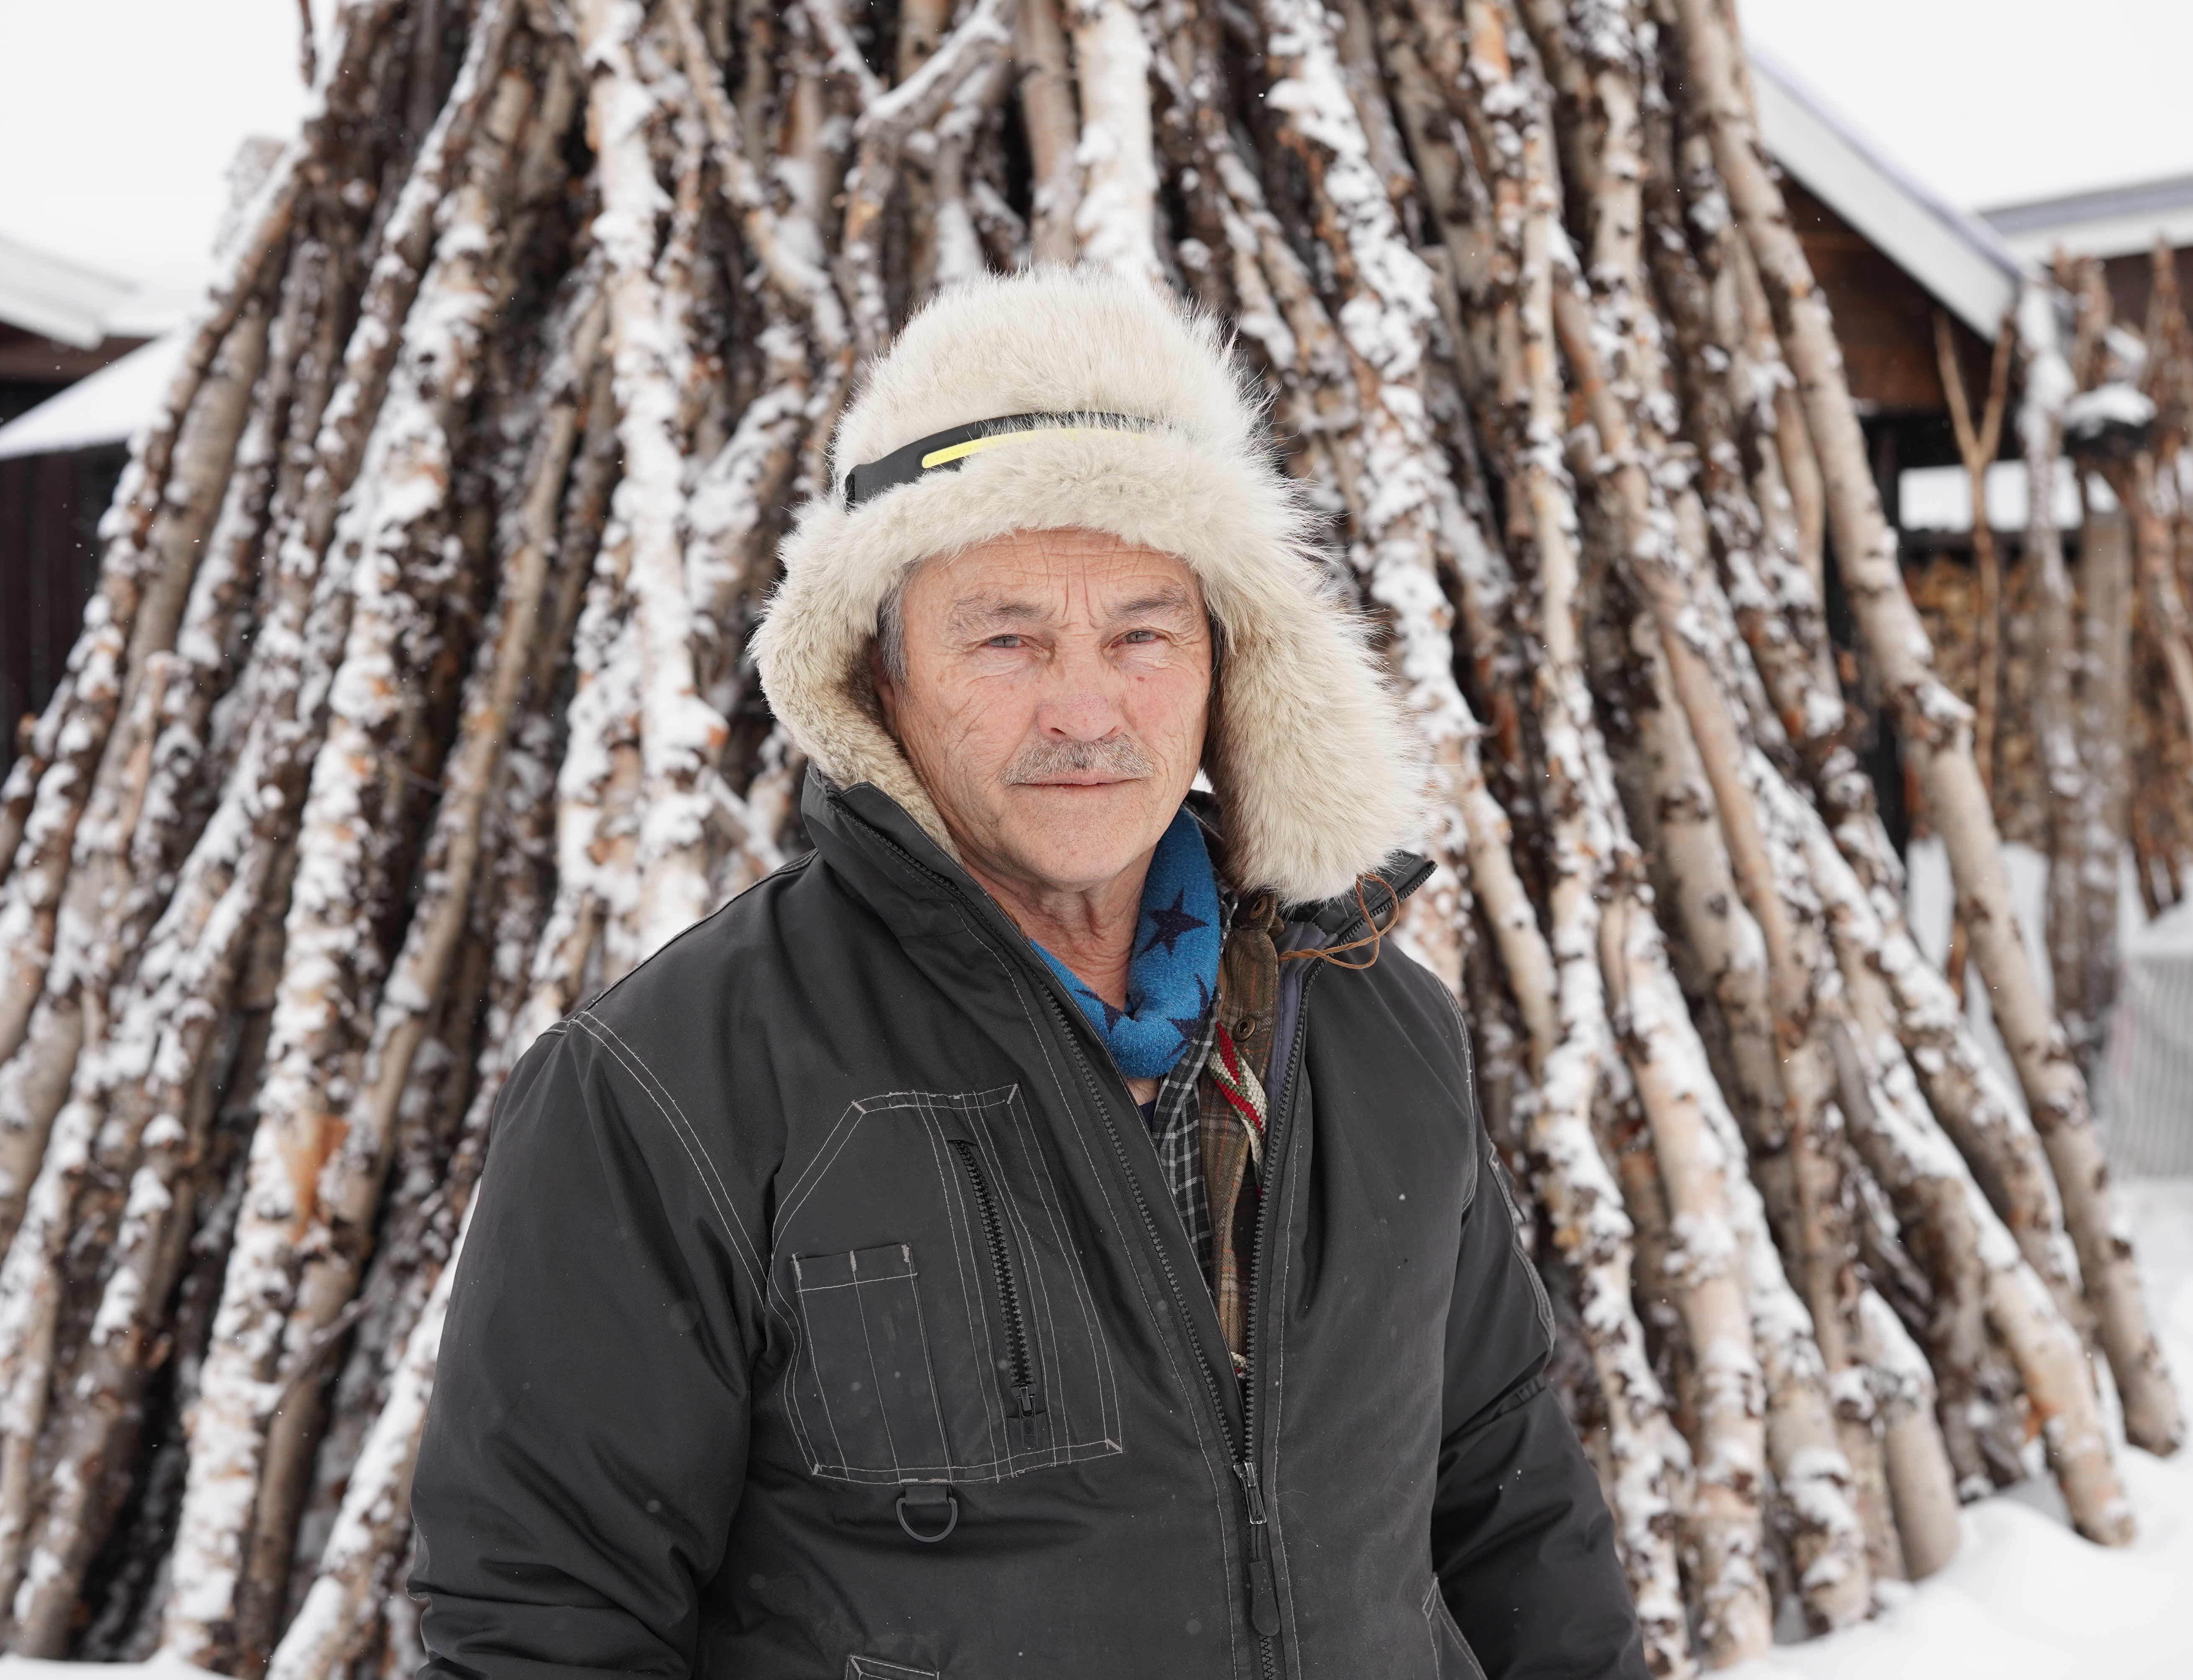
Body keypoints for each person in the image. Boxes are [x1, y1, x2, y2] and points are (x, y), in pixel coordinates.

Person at [410, 268, 1647, 1680]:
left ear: (1224, 668)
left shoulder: (1376, 1028)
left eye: (1141, 634)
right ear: (879, 679)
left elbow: (1508, 1506)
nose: (1084, 707)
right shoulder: (674, 1085)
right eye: (1006, 638)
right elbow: (546, 1626)